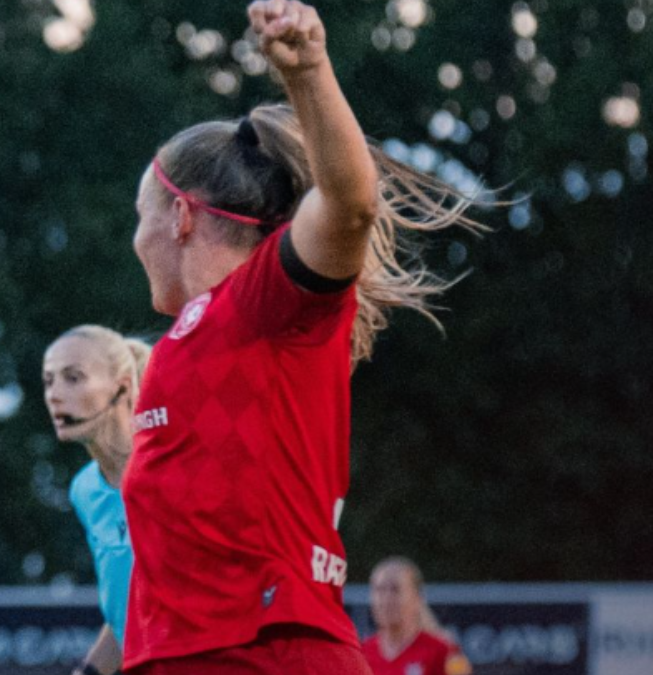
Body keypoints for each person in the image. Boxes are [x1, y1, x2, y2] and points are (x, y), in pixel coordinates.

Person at [121, 2, 484, 674]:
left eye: (139, 215)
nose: (134, 237)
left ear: (178, 216)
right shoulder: (191, 336)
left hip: (268, 652)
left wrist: (308, 72)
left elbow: (350, 205)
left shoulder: (264, 300)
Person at [42, 325, 152, 675]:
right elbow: (126, 617)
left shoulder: (172, 469)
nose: (54, 395)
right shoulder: (85, 490)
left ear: (122, 386)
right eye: (49, 381)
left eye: (73, 378)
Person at [363, 557, 472, 675]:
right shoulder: (360, 654)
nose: (386, 599)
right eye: (379, 590)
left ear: (417, 597)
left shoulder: (443, 651)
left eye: (395, 590)